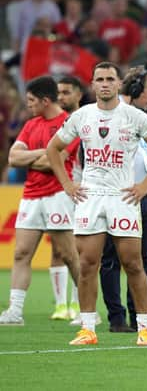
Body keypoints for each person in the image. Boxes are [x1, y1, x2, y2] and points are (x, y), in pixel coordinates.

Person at [46, 62, 147, 346]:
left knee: (133, 264)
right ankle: (88, 329)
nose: (104, 84)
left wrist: (146, 184)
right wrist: (67, 184)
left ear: (118, 84)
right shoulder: (82, 116)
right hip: (91, 197)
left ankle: (144, 330)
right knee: (88, 263)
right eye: (99, 79)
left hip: (122, 196)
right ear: (92, 84)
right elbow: (53, 149)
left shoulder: (134, 116)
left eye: (110, 79)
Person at [0, 77, 80, 326]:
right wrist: (46, 152)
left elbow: (51, 163)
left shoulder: (70, 123)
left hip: (59, 195)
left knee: (68, 255)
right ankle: (15, 311)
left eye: (32, 101)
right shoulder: (31, 124)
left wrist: (40, 157)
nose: (28, 105)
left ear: (46, 101)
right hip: (31, 196)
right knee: (22, 253)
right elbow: (13, 157)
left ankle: (87, 309)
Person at [98, 67, 147, 333]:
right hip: (113, 196)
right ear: (135, 90)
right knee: (110, 259)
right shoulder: (106, 116)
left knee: (142, 259)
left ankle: (140, 318)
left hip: (144, 197)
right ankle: (117, 318)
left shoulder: (142, 119)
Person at [48, 76, 84, 322]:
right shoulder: (56, 123)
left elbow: (57, 155)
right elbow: (53, 154)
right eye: (58, 92)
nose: (61, 97)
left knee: (79, 248)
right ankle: (61, 305)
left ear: (79, 94)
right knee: (58, 247)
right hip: (61, 190)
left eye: (66, 92)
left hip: (84, 191)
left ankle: (79, 303)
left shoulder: (84, 119)